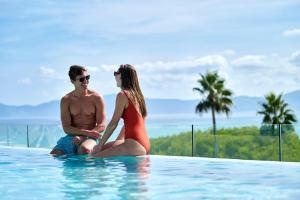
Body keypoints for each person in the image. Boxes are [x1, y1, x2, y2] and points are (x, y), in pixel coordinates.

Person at [91, 64, 150, 157]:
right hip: (143, 143)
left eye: (116, 73)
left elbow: (113, 124)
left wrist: (99, 145)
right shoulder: (139, 96)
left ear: (122, 76)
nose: (114, 76)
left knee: (93, 158)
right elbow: (133, 123)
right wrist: (117, 142)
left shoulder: (122, 95)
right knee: (102, 149)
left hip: (133, 144)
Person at [50, 65, 106, 156]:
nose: (85, 81)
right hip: (72, 137)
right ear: (72, 81)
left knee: (84, 150)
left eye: (87, 77)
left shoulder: (96, 98)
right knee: (54, 154)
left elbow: (102, 125)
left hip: (91, 137)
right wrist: (83, 134)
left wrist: (84, 136)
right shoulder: (66, 100)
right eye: (81, 79)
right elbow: (66, 128)